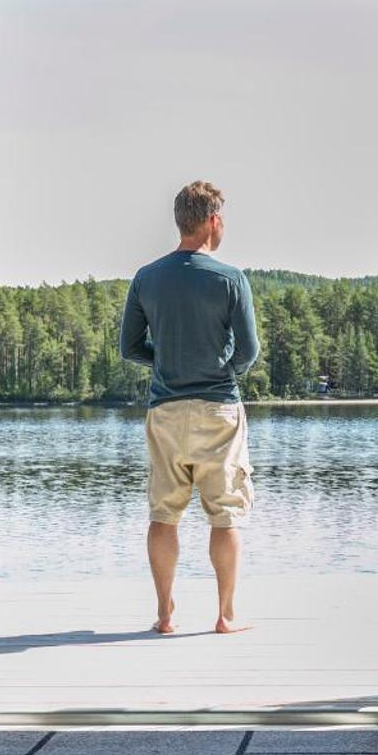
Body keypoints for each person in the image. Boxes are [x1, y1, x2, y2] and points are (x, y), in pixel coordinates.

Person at [119, 181, 260, 635]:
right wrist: (222, 368)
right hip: (219, 408)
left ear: (181, 220)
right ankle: (225, 615)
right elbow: (249, 352)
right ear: (213, 221)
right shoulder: (230, 279)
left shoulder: (147, 277)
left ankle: (164, 614)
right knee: (225, 513)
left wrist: (166, 361)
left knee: (164, 513)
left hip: (165, 410)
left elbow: (129, 347)